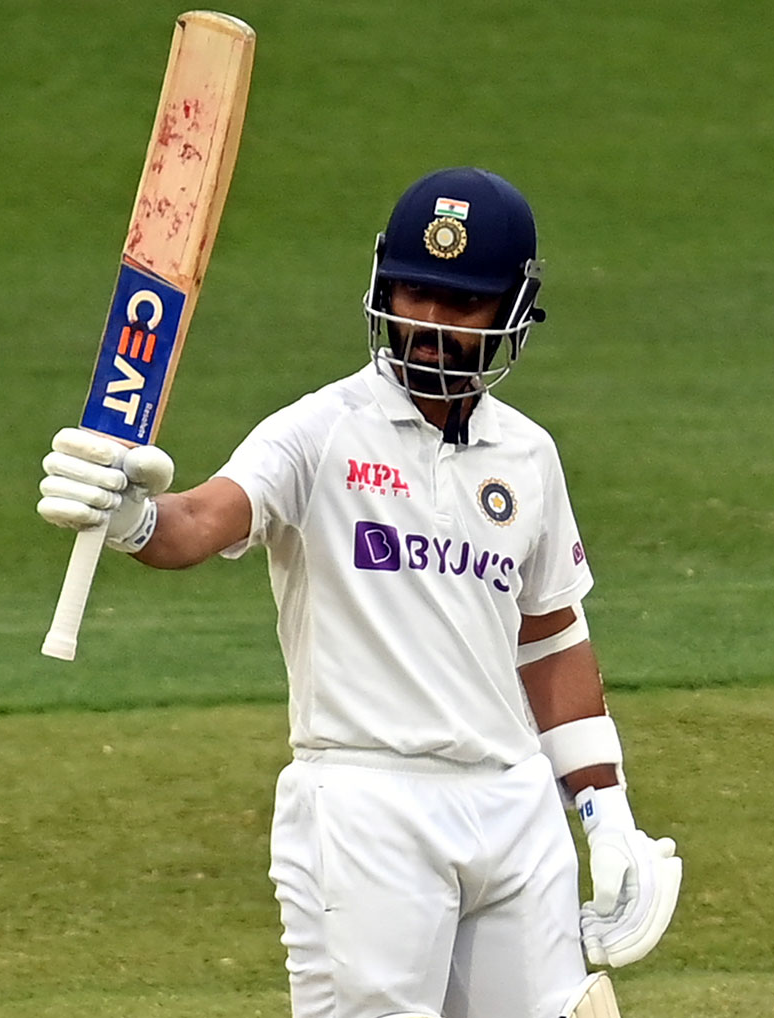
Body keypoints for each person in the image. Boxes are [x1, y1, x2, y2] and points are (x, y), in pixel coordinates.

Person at [37, 166, 682, 1018]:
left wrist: (606, 813)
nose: (428, 323)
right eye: (415, 292)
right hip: (368, 805)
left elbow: (552, 633)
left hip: (515, 799)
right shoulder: (319, 431)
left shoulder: (529, 456)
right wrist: (133, 519)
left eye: (461, 304)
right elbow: (201, 521)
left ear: (512, 311)